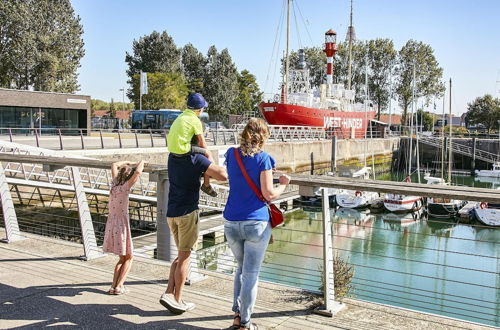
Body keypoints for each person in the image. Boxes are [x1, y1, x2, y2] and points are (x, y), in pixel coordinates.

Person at [223, 118, 291, 330]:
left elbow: (236, 178)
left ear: (244, 133)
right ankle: (245, 323)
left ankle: (237, 315)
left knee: (240, 269)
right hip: (256, 224)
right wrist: (284, 185)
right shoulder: (264, 159)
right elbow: (268, 194)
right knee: (251, 274)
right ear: (264, 137)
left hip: (231, 222)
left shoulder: (231, 154)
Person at [159, 127, 228, 314]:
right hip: (188, 212)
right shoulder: (196, 159)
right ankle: (178, 300)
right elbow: (223, 175)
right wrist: (207, 155)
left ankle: (168, 293)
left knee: (180, 256)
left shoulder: (173, 157)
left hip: (171, 212)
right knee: (185, 258)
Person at [102, 160, 145, 295]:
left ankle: (113, 286)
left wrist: (126, 162)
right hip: (121, 225)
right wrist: (141, 161)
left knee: (122, 257)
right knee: (129, 257)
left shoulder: (114, 184)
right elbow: (138, 172)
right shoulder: (126, 187)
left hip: (112, 223)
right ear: (127, 177)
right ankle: (119, 286)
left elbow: (113, 164)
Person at [167, 92, 217, 197]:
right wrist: (209, 156)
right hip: (183, 149)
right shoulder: (195, 120)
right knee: (208, 154)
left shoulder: (181, 116)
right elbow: (202, 143)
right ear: (199, 110)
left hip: (172, 149)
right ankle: (206, 184)